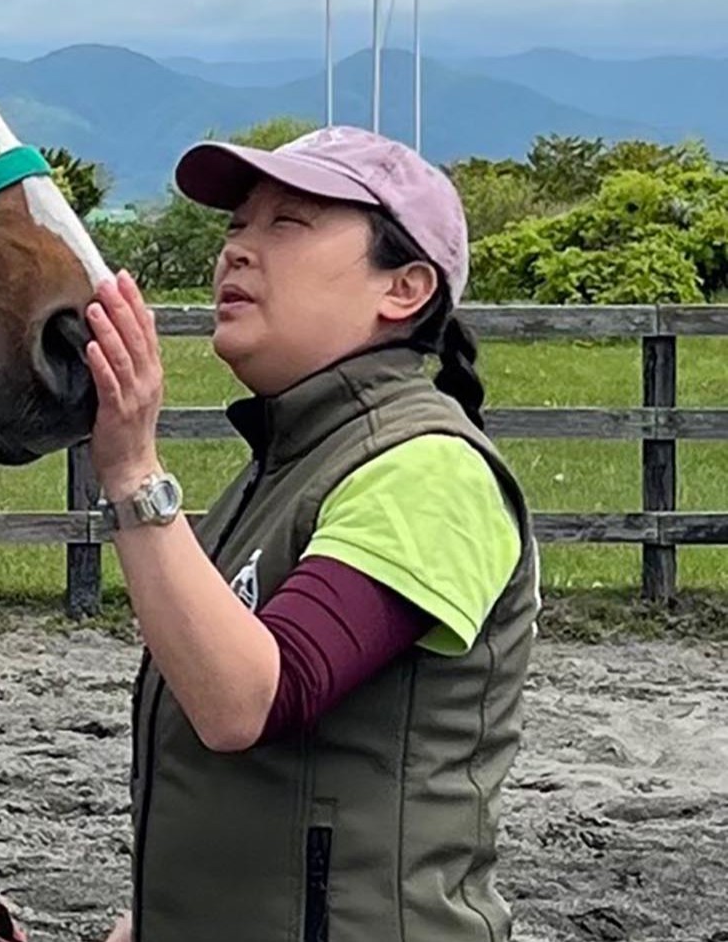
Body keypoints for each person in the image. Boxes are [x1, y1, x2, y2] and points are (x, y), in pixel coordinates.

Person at [86, 125, 540, 942]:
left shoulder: (430, 471)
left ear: (403, 289)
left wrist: (132, 476)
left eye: (286, 224)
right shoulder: (290, 463)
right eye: (236, 227)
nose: (237, 252)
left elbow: (247, 700)